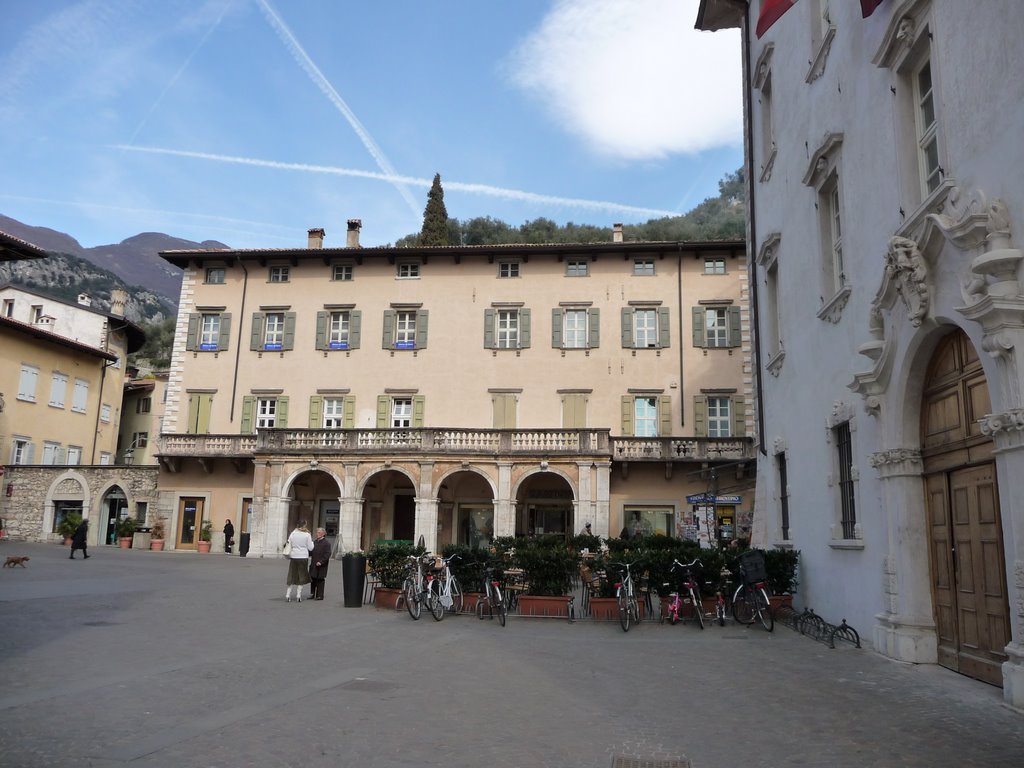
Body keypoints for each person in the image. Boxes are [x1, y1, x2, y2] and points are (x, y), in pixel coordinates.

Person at [285, 521, 314, 602]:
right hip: (303, 556)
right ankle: (298, 595)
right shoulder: (307, 535)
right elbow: (310, 548)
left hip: (294, 556)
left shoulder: (293, 534)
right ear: (305, 525)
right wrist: (311, 542)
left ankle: (288, 594)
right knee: (302, 575)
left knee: (292, 574)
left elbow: (289, 543)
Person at [308, 527, 331, 601]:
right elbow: (311, 552)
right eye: (317, 532)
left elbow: (327, 554)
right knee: (313, 578)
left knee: (320, 579)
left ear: (323, 534)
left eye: (319, 533)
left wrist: (321, 562)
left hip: (322, 564)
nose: (317, 534)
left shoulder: (326, 543)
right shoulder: (314, 542)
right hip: (314, 563)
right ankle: (312, 593)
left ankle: (320, 595)